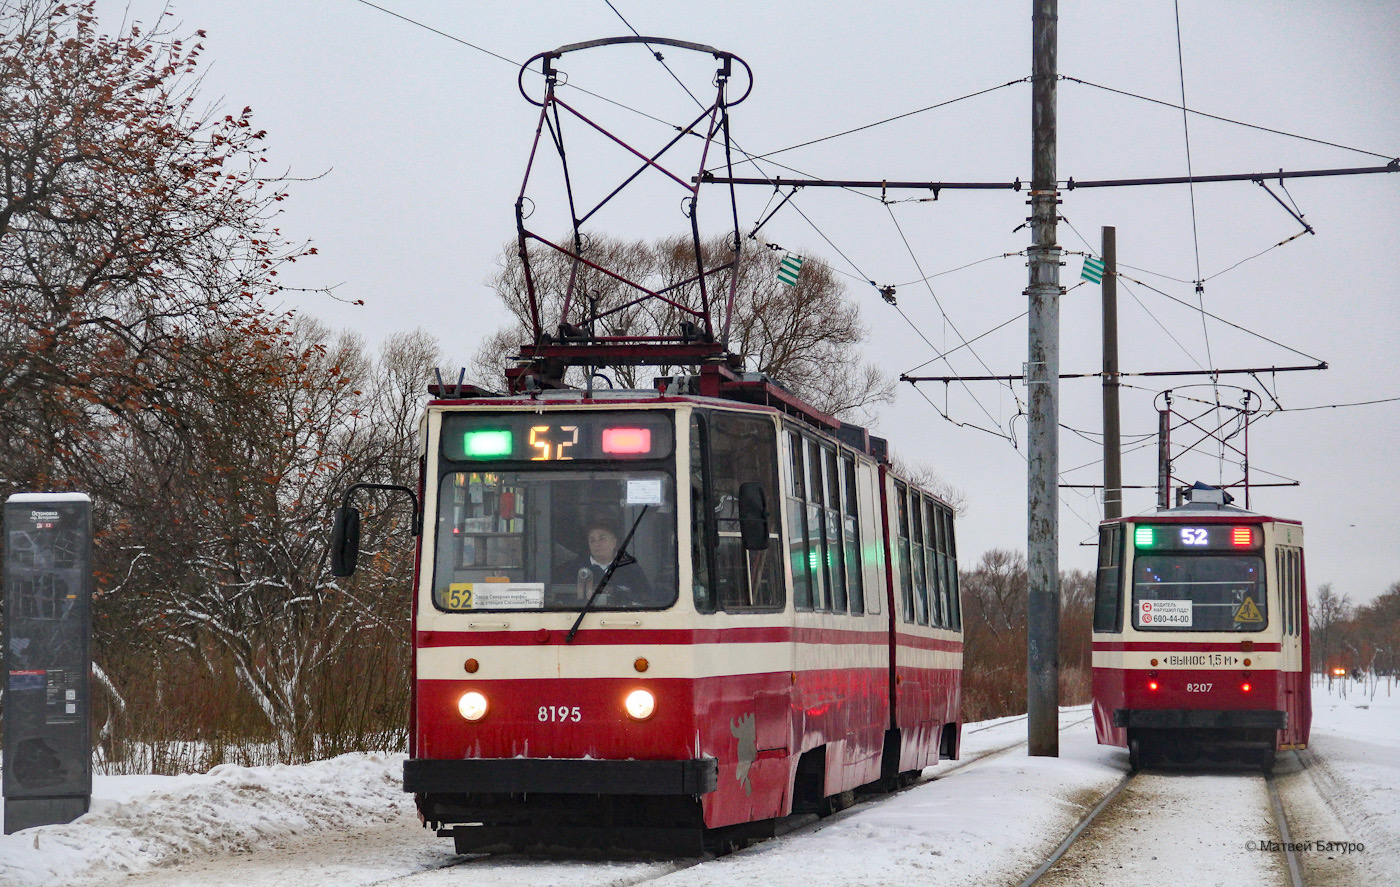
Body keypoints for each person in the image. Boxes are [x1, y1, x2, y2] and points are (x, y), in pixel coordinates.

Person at [555, 518, 655, 605]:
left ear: (614, 542)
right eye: (592, 540)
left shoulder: (630, 567)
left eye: (602, 539)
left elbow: (645, 597)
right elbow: (563, 599)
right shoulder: (574, 568)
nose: (596, 544)